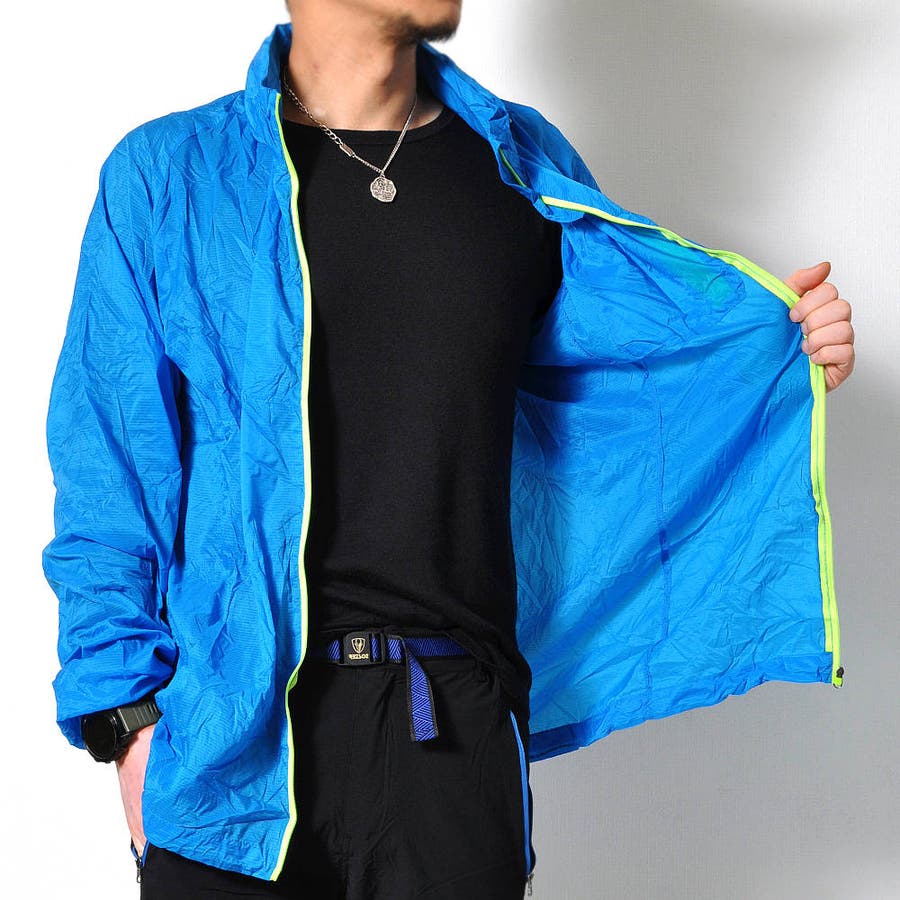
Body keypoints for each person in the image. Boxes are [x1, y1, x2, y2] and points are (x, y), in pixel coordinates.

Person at [42, 2, 855, 898]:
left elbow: (629, 381)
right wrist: (127, 727)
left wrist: (779, 348)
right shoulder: (170, 177)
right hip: (232, 755)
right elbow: (108, 473)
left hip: (452, 735)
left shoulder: (519, 165)